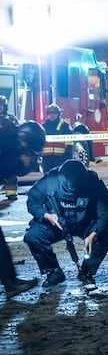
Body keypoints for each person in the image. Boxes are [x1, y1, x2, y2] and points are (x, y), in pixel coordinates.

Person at [23, 159, 108, 289]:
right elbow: (33, 200)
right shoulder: (50, 180)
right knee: (33, 236)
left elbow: (106, 212)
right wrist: (45, 215)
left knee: (105, 236)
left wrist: (95, 232)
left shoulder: (93, 182)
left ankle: (86, 272)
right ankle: (54, 273)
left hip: (85, 223)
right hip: (56, 223)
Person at [0, 120, 46, 298]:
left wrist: (21, 163)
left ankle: (10, 281)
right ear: (24, 141)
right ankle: (11, 283)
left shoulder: (10, 139)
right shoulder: (4, 140)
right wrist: (18, 162)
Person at [41, 103, 73, 172]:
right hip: (47, 158)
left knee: (59, 176)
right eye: (50, 113)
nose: (52, 115)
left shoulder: (65, 126)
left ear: (58, 114)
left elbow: (70, 141)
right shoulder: (44, 126)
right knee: (47, 177)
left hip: (60, 157)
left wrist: (68, 153)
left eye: (54, 113)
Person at [0, 95, 20, 201]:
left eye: (1, 105)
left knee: (11, 172)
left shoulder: (11, 119)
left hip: (9, 151)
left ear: (5, 106)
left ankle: (11, 193)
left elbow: (18, 133)